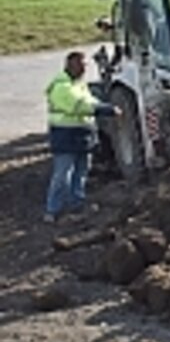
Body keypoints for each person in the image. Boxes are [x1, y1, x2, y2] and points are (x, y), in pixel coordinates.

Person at [44, 52, 119, 223]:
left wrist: (101, 105)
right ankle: (52, 209)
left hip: (82, 134)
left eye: (85, 65)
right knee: (62, 175)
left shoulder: (79, 84)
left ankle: (76, 204)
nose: (85, 69)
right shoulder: (62, 86)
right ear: (71, 65)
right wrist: (107, 109)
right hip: (65, 135)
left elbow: (90, 100)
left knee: (81, 172)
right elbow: (79, 105)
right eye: (82, 65)